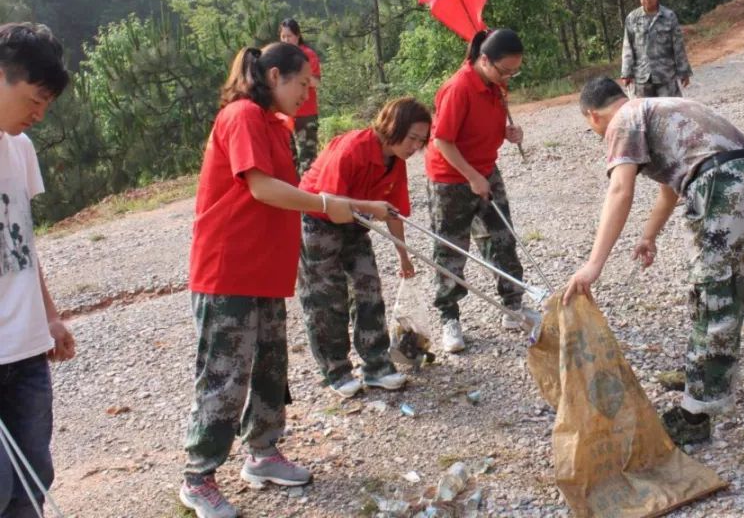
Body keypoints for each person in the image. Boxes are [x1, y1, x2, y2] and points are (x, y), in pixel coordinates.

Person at [181, 43, 369, 518]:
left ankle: (263, 453)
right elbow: (262, 188)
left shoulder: (273, 124)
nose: (307, 93)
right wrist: (328, 205)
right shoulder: (242, 115)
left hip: (265, 270)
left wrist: (354, 204)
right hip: (230, 269)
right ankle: (198, 477)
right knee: (225, 376)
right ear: (272, 76)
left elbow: (290, 191)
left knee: (269, 368)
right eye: (302, 82)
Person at [564, 77, 744, 446]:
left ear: (592, 116)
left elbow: (620, 190)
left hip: (722, 182)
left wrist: (594, 264)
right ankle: (706, 375)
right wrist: (648, 236)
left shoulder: (622, 121)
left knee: (714, 291)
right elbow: (668, 189)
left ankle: (695, 415)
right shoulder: (654, 111)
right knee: (730, 284)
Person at [297, 97, 431, 398]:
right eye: (412, 138)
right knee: (327, 298)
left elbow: (393, 211)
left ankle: (377, 366)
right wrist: (371, 206)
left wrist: (404, 257)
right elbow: (331, 204)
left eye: (421, 142)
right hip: (319, 221)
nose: (414, 147)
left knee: (368, 289)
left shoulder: (395, 161)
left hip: (356, 223)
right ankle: (336, 371)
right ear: (393, 127)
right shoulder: (353, 149)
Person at [0, 23, 74, 517]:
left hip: (26, 350)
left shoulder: (19, 150)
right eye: (34, 98)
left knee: (33, 482)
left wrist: (49, 316)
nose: (39, 114)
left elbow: (22, 242)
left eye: (48, 103)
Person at [426, 28, 530, 354]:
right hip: (451, 177)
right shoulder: (458, 88)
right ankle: (449, 318)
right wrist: (471, 176)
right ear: (484, 60)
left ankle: (513, 307)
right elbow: (443, 140)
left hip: (486, 169)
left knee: (502, 237)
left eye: (515, 71)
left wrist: (509, 132)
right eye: (505, 70)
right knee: (451, 248)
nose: (509, 77)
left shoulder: (496, 85)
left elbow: (487, 124)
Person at [620, 0, 692, 98]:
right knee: (643, 113)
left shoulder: (669, 16)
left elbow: (678, 46)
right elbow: (627, 47)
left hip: (666, 75)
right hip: (641, 77)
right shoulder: (632, 18)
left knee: (669, 111)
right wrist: (626, 73)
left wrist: (684, 71)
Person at [279, 19, 321, 173]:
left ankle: (310, 194)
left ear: (298, 36)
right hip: (285, 114)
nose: (286, 40)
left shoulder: (307, 54)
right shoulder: (280, 56)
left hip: (306, 113)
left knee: (308, 158)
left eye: (289, 36)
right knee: (289, 160)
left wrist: (296, 76)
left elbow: (316, 82)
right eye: (283, 37)